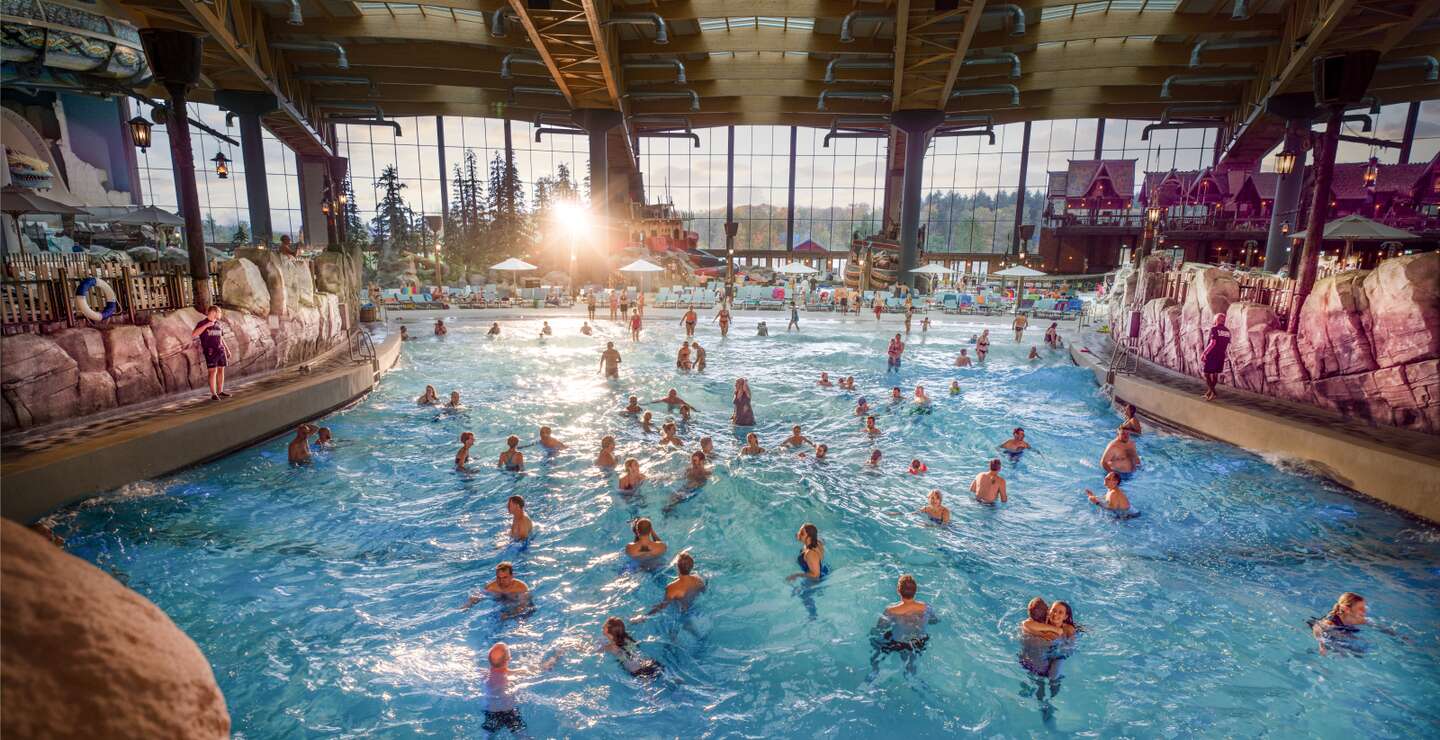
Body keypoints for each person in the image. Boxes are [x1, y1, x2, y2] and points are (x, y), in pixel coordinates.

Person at [869, 574, 938, 676]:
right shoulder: (927, 607)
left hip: (898, 643)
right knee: (911, 663)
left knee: (874, 640)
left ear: (898, 591)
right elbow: (934, 621)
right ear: (915, 591)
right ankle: (910, 674)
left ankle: (875, 671)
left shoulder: (891, 610)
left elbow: (880, 628)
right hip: (919, 642)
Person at [480, 642, 531, 736]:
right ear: (508, 659)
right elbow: (526, 672)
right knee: (521, 735)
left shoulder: (484, 675)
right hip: (510, 712)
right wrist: (524, 670)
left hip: (492, 713)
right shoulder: (509, 675)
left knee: (488, 736)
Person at [191, 305, 231, 401]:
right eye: (219, 312)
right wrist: (206, 326)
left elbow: (221, 337)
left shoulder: (218, 324)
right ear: (213, 312)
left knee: (221, 370)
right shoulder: (202, 323)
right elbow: (194, 334)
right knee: (213, 372)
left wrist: (227, 349)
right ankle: (213, 394)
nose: (220, 314)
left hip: (220, 350)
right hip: (210, 352)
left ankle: (220, 391)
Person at [462, 561, 530, 611]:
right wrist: (467, 605)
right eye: (499, 577)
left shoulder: (521, 587)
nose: (501, 581)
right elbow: (477, 596)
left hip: (515, 604)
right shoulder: (491, 586)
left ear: (512, 576)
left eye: (505, 577)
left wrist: (510, 614)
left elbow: (523, 606)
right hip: (500, 604)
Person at [1201, 313, 1232, 401]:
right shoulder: (1227, 331)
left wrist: (1204, 353)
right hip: (1221, 355)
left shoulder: (1214, 329)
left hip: (1212, 354)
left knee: (1206, 374)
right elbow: (1228, 344)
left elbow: (1213, 343)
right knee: (1215, 374)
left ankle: (1214, 392)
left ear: (1217, 320)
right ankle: (1209, 393)